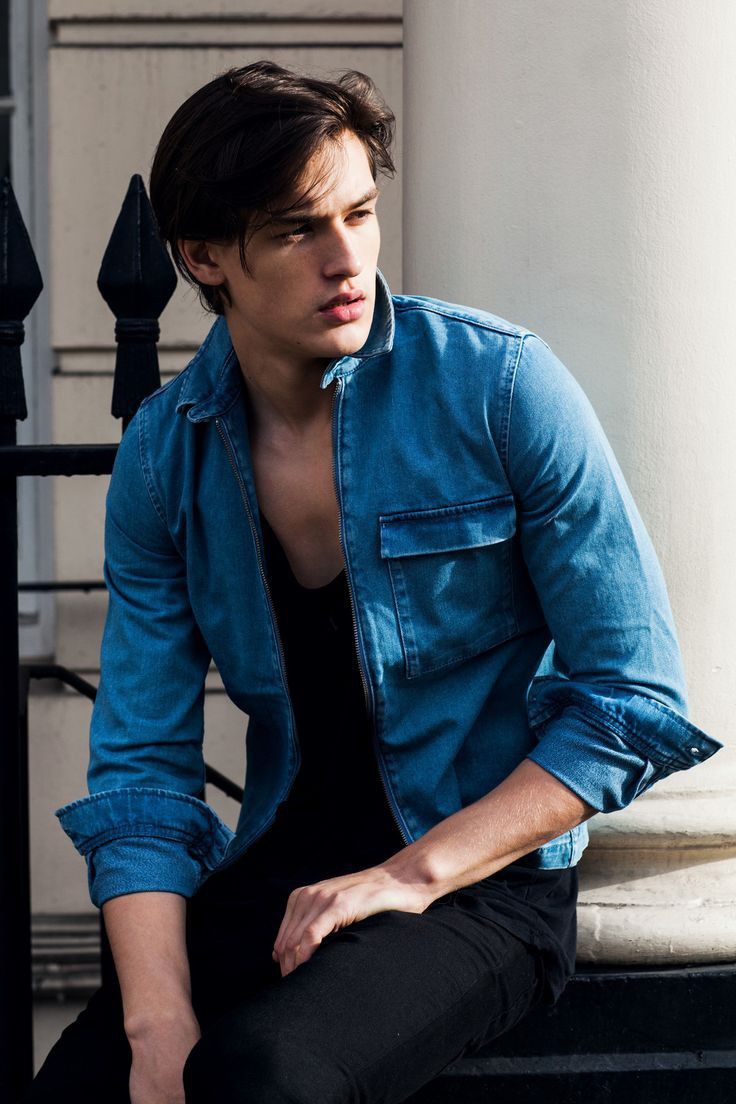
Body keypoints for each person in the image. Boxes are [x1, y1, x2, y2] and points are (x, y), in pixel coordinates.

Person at [30, 61, 720, 1104]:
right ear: (203, 257)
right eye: (296, 230)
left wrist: (406, 877)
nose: (345, 258)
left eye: (358, 212)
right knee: (86, 1087)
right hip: (281, 874)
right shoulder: (167, 459)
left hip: (478, 890)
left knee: (268, 1077)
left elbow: (632, 698)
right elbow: (141, 774)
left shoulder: (497, 387)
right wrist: (156, 1025)